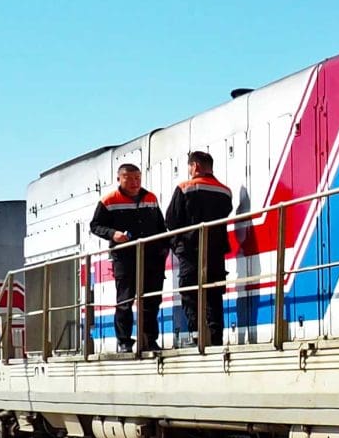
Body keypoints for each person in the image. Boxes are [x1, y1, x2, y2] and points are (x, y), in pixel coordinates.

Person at [90, 163, 169, 353]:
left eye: (138, 178)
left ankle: (149, 339)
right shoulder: (109, 200)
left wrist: (164, 248)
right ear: (119, 179)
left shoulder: (150, 198)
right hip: (125, 258)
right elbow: (95, 225)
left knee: (151, 300)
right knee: (125, 300)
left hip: (152, 258)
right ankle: (124, 341)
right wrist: (112, 234)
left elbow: (161, 225)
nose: (135, 182)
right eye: (130, 178)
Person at [165, 150, 235, 347]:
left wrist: (178, 241)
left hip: (190, 250)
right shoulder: (225, 191)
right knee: (213, 294)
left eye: (189, 166)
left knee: (189, 292)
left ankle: (196, 335)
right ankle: (215, 336)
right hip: (216, 251)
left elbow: (171, 219)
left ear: (195, 166)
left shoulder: (185, 187)